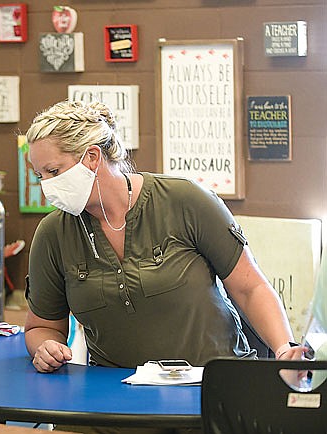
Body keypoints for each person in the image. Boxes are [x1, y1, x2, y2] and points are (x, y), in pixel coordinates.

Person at [23, 101, 302, 434]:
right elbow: (41, 326)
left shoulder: (185, 201)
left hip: (210, 395)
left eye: (54, 172)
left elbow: (250, 287)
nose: (46, 186)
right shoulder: (54, 233)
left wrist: (284, 348)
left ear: (93, 158)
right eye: (39, 175)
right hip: (112, 403)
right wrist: (44, 348)